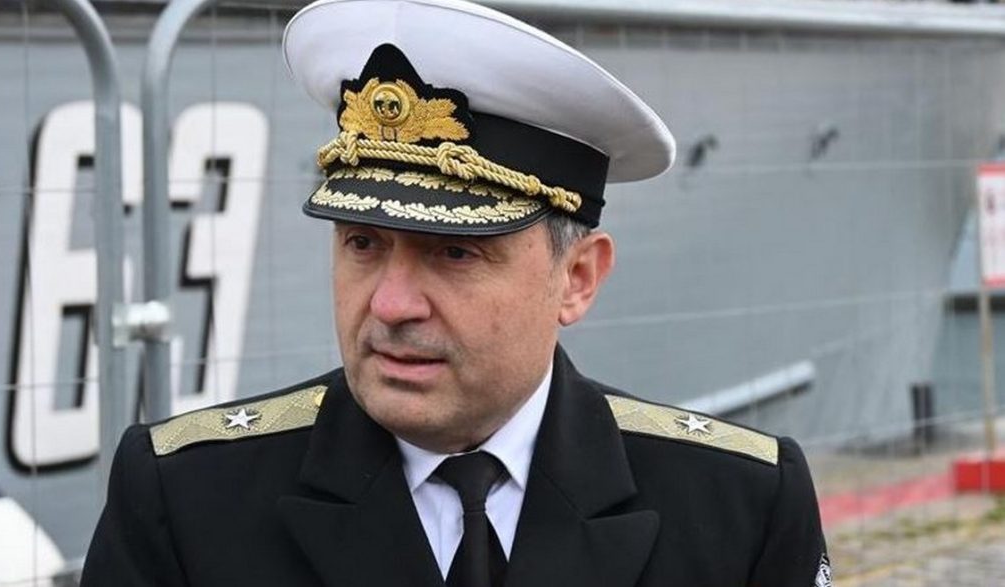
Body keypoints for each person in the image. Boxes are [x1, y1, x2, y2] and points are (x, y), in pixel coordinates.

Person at [81, 0, 831, 585]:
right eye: (363, 243)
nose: (390, 305)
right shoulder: (187, 498)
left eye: (455, 252)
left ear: (577, 278)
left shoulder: (739, 505)